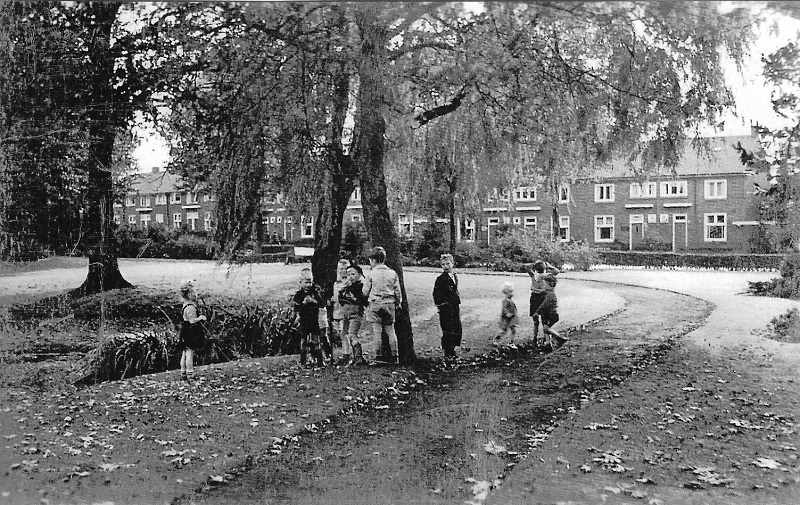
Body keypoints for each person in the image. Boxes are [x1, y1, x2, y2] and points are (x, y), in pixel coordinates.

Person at [362, 246, 402, 364]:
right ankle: (395, 356)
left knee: (377, 332)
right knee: (390, 330)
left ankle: (378, 357)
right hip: (389, 303)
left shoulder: (371, 274)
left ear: (373, 260)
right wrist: (398, 303)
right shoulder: (392, 273)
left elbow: (365, 291)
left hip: (376, 303)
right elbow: (397, 291)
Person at [291, 268, 326, 367]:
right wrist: (303, 303)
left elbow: (321, 304)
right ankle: (303, 361)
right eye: (306, 282)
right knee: (304, 340)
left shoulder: (315, 293)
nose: (308, 285)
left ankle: (319, 360)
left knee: (316, 340)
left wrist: (313, 301)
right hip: (304, 321)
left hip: (314, 320)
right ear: (300, 282)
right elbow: (296, 307)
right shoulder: (299, 295)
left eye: (310, 282)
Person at [338, 263, 369, 366]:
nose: (350, 277)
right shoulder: (347, 287)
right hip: (346, 313)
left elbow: (363, 301)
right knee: (346, 334)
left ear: (359, 274)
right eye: (348, 274)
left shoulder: (361, 286)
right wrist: (342, 291)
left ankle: (359, 357)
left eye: (353, 274)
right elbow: (341, 300)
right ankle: (353, 357)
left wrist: (353, 298)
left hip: (356, 313)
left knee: (352, 334)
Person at [433, 253, 462, 358]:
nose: (446, 266)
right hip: (446, 308)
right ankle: (447, 351)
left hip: (454, 306)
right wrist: (443, 305)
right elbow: (436, 294)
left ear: (452, 264)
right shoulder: (440, 279)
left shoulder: (454, 276)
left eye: (448, 264)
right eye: (443, 264)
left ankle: (452, 349)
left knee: (456, 327)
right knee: (447, 329)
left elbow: (454, 290)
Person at [178, 279, 207, 382]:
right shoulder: (191, 307)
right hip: (190, 332)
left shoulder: (185, 304)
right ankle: (190, 373)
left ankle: (183, 372)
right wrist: (201, 318)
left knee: (184, 353)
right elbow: (192, 320)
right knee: (189, 352)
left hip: (185, 330)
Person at [528, 259, 560, 346]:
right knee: (544, 320)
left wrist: (533, 265)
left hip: (535, 297)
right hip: (542, 296)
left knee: (536, 320)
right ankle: (546, 340)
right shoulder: (546, 275)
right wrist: (549, 265)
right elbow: (556, 271)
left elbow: (528, 269)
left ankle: (535, 338)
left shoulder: (535, 275)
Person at [534, 273, 567, 350]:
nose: (543, 285)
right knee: (545, 328)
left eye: (545, 284)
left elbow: (544, 305)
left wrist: (537, 312)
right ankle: (548, 344)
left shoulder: (550, 295)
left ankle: (560, 337)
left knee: (546, 329)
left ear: (550, 285)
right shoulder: (549, 292)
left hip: (551, 315)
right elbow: (542, 291)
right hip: (548, 314)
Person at [331, 259, 351, 364]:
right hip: (337, 310)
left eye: (345, 269)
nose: (342, 271)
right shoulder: (336, 283)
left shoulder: (349, 283)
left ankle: (347, 355)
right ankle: (345, 353)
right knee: (340, 332)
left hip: (345, 311)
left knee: (344, 332)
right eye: (340, 269)